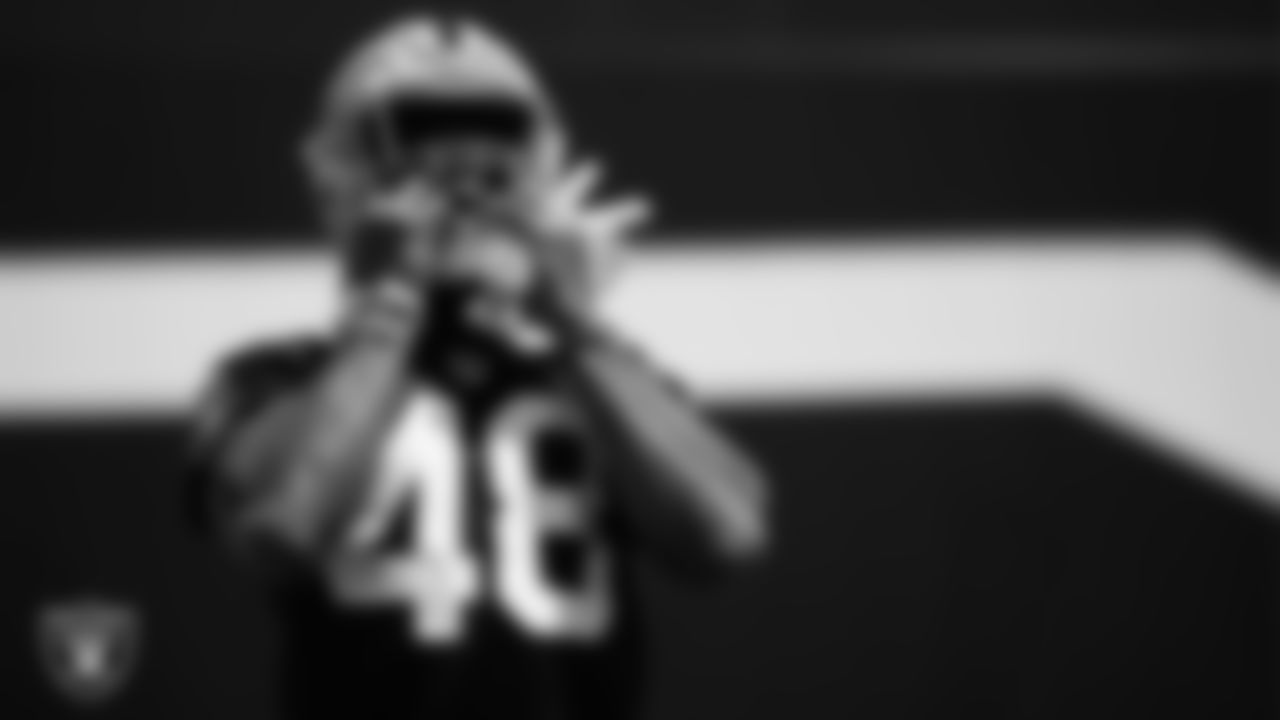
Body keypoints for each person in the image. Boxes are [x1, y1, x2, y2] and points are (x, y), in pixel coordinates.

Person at [185, 13, 771, 720]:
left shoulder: (595, 376)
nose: (464, 186)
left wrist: (571, 324)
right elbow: (282, 522)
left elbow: (727, 531)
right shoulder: (275, 376)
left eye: (492, 155)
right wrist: (387, 303)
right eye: (426, 152)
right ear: (345, 176)